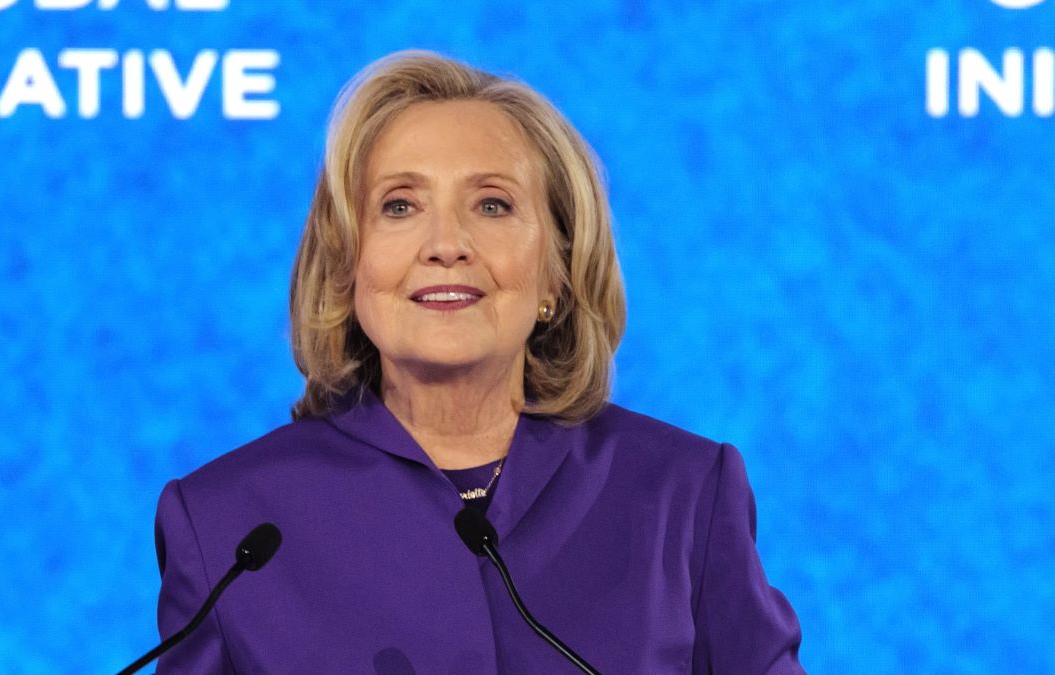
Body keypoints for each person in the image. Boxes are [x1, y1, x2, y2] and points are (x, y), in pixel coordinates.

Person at [152, 50, 804, 673]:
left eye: (493, 204)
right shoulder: (228, 525)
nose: (445, 244)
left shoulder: (682, 491)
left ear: (555, 274)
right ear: (349, 266)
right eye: (399, 206)